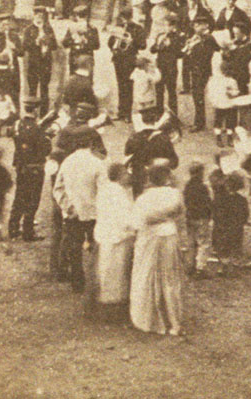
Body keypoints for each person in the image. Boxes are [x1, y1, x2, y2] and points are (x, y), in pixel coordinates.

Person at [129, 159, 185, 335]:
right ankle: (174, 323)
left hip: (150, 237)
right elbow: (179, 213)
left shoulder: (144, 198)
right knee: (169, 277)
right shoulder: (174, 194)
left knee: (147, 273)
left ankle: (148, 318)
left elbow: (137, 222)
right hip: (168, 234)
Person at [53, 129, 107, 292]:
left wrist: (68, 207)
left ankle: (78, 282)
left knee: (74, 249)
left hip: (73, 213)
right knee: (96, 248)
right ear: (91, 144)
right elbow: (104, 190)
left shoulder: (67, 162)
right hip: (93, 213)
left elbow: (58, 188)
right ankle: (96, 281)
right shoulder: (97, 163)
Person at [94, 161, 136, 322]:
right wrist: (133, 228)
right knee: (116, 272)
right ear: (119, 175)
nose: (128, 176)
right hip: (117, 236)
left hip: (106, 234)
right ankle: (113, 309)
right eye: (126, 173)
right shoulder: (118, 193)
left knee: (107, 270)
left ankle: (108, 304)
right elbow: (124, 217)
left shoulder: (106, 190)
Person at [9, 101, 51, 240]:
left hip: (21, 166)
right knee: (32, 200)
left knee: (19, 196)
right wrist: (49, 137)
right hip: (35, 167)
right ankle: (28, 232)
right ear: (36, 111)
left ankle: (13, 228)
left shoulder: (17, 124)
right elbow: (45, 150)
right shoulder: (38, 129)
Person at [109, 10, 145, 122]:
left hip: (129, 60)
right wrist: (114, 45)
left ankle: (128, 114)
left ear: (130, 17)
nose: (124, 21)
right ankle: (121, 112)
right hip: (118, 58)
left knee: (128, 86)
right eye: (123, 19)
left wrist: (132, 40)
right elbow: (110, 42)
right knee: (120, 85)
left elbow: (143, 45)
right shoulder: (118, 28)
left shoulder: (137, 28)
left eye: (126, 18)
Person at [183, 17, 218, 133]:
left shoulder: (208, 38)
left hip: (202, 70)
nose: (195, 27)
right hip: (194, 69)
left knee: (198, 95)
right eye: (195, 25)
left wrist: (194, 47)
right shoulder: (196, 38)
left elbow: (207, 54)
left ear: (205, 26)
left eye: (198, 25)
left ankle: (199, 123)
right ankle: (198, 121)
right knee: (196, 95)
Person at [212, 173, 249, 272]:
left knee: (223, 246)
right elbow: (245, 215)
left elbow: (215, 212)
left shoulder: (220, 198)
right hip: (236, 227)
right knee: (236, 245)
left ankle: (223, 265)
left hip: (223, 226)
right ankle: (235, 264)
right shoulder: (242, 200)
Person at [182, 161, 213, 277]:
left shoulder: (188, 186)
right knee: (203, 242)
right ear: (200, 173)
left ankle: (189, 265)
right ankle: (200, 268)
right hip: (201, 217)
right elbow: (207, 202)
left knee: (191, 242)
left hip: (190, 216)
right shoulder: (203, 187)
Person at [208, 61, 241, 148]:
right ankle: (229, 139)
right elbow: (235, 93)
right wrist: (232, 92)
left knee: (218, 121)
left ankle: (219, 139)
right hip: (230, 104)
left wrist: (213, 102)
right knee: (230, 122)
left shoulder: (213, 80)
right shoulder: (232, 81)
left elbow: (210, 93)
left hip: (218, 104)